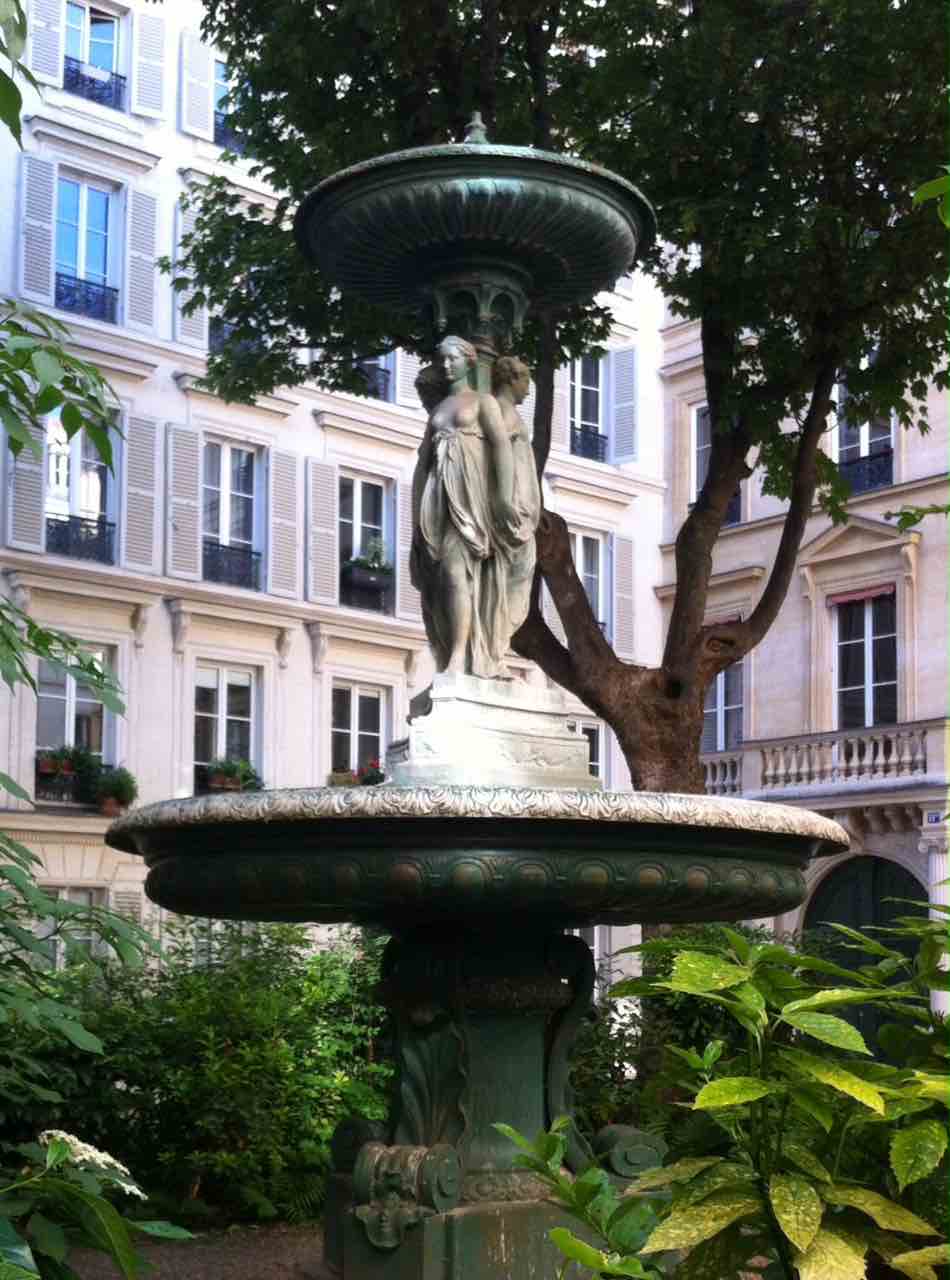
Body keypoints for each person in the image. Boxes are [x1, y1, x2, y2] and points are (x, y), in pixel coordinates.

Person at [410, 337, 540, 678]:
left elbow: (500, 449)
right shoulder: (439, 411)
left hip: (471, 498)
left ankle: (459, 658)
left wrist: (501, 498)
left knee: (457, 571)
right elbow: (422, 465)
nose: (447, 365)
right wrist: (415, 518)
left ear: (469, 361)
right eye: (443, 359)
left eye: (453, 358)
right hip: (439, 499)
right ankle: (455, 655)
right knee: (443, 578)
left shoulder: (483, 402)